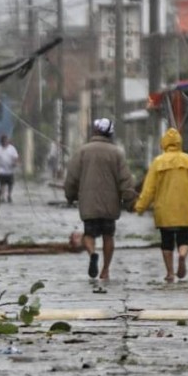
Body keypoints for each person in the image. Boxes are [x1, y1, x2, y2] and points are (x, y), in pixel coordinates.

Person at [64, 118, 136, 281]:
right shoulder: (117, 153)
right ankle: (105, 270)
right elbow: (126, 180)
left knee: (89, 234)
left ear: (95, 131)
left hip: (88, 203)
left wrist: (70, 196)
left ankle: (92, 253)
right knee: (108, 236)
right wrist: (129, 200)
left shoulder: (82, 151)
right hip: (110, 205)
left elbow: (72, 178)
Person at [134, 128, 188, 283]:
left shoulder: (158, 162)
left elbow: (149, 188)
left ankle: (169, 272)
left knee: (166, 241)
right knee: (184, 239)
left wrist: (140, 206)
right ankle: (182, 255)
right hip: (185, 208)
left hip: (164, 209)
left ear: (164, 143)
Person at [0, 134, 20, 203]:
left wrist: (15, 163)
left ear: (7, 141)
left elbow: (16, 157)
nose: (4, 142)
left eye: (5, 141)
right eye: (3, 141)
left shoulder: (12, 149)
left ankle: (9, 195)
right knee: (2, 184)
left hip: (10, 170)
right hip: (1, 170)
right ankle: (3, 196)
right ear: (1, 141)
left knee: (10, 184)